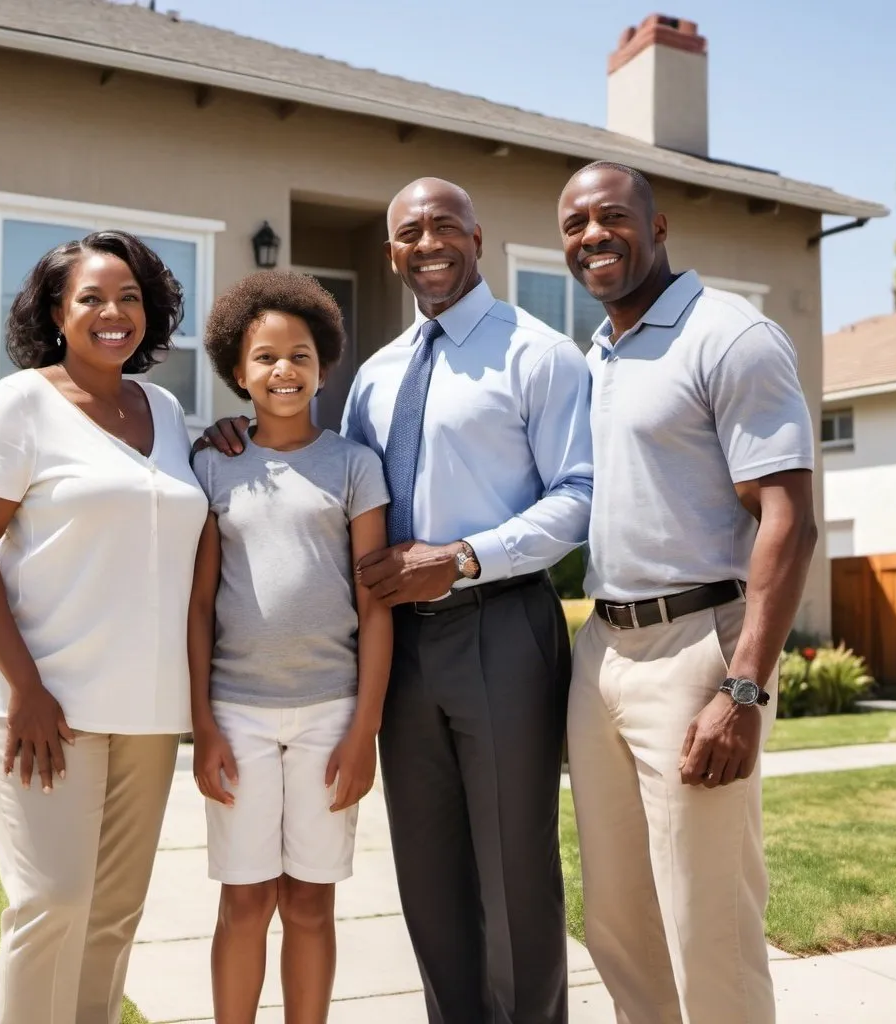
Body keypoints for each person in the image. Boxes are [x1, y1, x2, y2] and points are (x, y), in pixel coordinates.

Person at [202, 177, 593, 1024]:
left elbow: (579, 495)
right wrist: (228, 432)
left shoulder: (539, 353)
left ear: (478, 238)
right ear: (392, 254)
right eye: (411, 231)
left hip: (501, 628)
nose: (430, 242)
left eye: (446, 225)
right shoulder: (375, 376)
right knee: (429, 872)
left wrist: (462, 558)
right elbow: (317, 469)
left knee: (516, 871)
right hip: (399, 648)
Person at [558, 161, 817, 1024]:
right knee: (620, 924)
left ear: (659, 226)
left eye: (611, 216)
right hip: (605, 649)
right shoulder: (600, 352)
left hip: (699, 648)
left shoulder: (729, 335)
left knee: (708, 930)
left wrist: (742, 690)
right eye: (573, 224)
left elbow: (789, 519)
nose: (592, 234)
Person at [0, 231, 208, 1024]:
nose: (113, 312)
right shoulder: (21, 401)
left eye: (129, 297)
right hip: (42, 707)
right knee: (51, 902)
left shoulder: (162, 408)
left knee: (113, 917)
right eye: (91, 297)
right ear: (58, 312)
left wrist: (226, 440)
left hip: (147, 711)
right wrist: (26, 687)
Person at [188, 270, 393, 1024]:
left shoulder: (353, 465)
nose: (283, 370)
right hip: (236, 717)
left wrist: (363, 730)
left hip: (329, 716)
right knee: (244, 902)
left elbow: (375, 607)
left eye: (299, 355)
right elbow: (199, 605)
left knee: (309, 901)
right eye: (265, 357)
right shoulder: (211, 464)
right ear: (238, 371)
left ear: (324, 365)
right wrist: (203, 723)